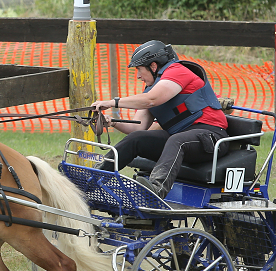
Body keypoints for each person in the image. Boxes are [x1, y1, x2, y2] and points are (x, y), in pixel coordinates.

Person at [90, 40, 229, 198]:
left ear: (153, 66)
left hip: (211, 138)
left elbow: (151, 100)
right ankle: (93, 178)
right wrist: (112, 122)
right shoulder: (153, 88)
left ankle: (155, 191)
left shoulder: (178, 71)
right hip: (180, 137)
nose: (138, 76)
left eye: (139, 70)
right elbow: (138, 127)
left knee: (177, 140)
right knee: (136, 138)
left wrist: (112, 102)